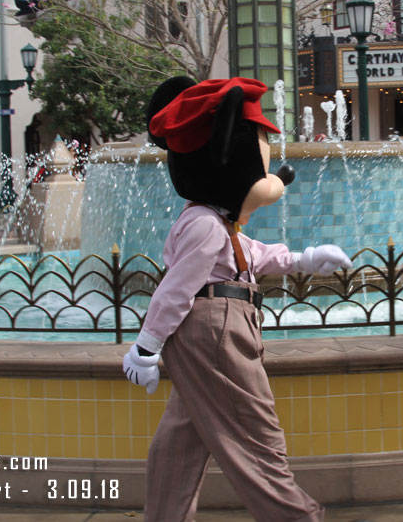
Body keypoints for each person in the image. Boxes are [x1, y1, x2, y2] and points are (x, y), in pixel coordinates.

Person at [123, 76, 351, 522]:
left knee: (181, 441)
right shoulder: (206, 225)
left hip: (210, 326)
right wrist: (145, 347)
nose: (269, 181)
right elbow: (177, 287)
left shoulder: (214, 222)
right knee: (255, 437)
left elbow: (252, 256)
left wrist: (303, 257)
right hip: (215, 330)